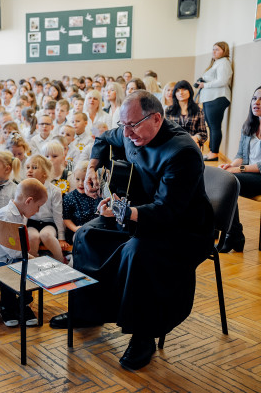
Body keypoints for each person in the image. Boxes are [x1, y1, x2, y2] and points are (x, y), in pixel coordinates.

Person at [49, 91, 214, 371]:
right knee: (87, 235)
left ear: (157, 118)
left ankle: (143, 335)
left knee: (138, 252)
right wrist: (92, 168)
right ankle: (88, 312)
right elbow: (102, 139)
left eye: (133, 126)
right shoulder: (130, 129)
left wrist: (125, 212)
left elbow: (167, 211)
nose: (126, 133)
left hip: (183, 230)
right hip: (139, 213)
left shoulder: (182, 152)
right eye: (123, 125)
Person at [0, 178, 48, 327]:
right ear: (29, 201)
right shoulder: (6, 216)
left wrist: (30, 257)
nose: (38, 211)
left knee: (26, 266)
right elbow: (13, 252)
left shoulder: (19, 214)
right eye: (38, 206)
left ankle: (23, 305)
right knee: (13, 270)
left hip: (10, 256)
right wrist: (31, 258)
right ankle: (7, 308)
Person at [218, 86, 261, 252]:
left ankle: (233, 235)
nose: (256, 102)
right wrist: (231, 165)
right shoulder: (249, 125)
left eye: (260, 99)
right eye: (254, 98)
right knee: (221, 177)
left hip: (259, 176)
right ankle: (229, 233)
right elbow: (241, 155)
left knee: (231, 181)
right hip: (250, 174)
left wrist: (239, 169)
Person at [198, 41, 233, 161]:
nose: (214, 51)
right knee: (212, 127)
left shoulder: (224, 63)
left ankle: (214, 153)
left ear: (224, 50)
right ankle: (212, 152)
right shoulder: (216, 63)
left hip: (217, 98)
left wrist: (205, 85)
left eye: (217, 49)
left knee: (215, 127)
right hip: (210, 98)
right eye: (213, 49)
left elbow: (222, 81)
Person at [165, 80, 207, 148]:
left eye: (184, 89)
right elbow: (166, 131)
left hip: (191, 143)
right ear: (175, 94)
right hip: (174, 143)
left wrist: (196, 138)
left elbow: (203, 134)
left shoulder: (198, 111)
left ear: (190, 91)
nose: (181, 93)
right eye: (178, 91)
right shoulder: (169, 110)